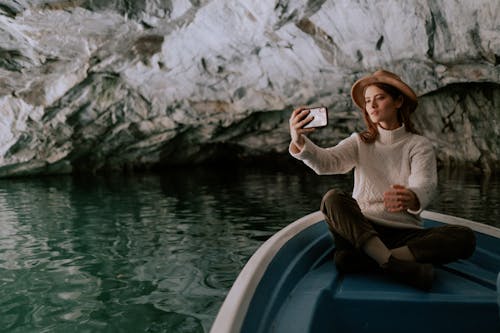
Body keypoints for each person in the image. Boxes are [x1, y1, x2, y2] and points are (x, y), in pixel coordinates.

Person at [288, 69, 476, 291]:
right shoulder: (359, 141)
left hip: (403, 235)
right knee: (333, 198)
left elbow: (425, 183)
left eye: (380, 98)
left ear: (398, 101)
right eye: (368, 101)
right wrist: (298, 139)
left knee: (464, 237)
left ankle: (379, 260)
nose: (372, 106)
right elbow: (325, 163)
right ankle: (393, 264)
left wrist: (412, 197)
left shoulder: (418, 145)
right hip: (362, 231)